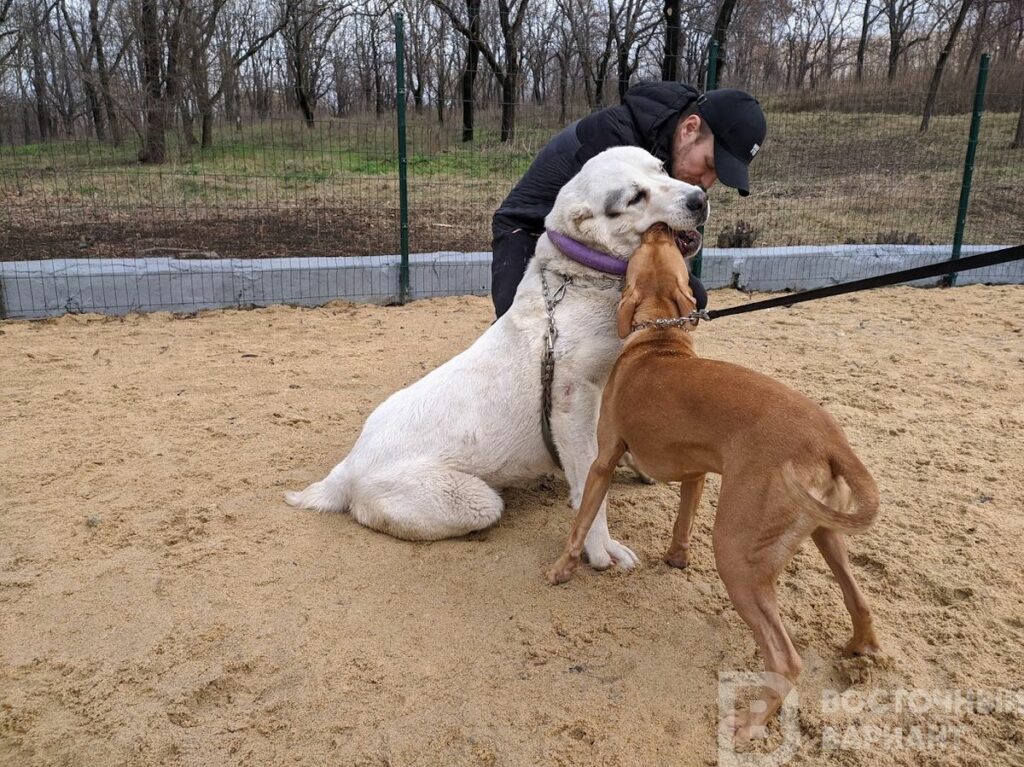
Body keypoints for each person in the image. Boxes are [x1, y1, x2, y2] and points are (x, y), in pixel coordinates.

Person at [490, 83, 767, 318]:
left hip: (587, 238)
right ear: (689, 129)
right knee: (523, 323)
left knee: (691, 295)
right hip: (527, 229)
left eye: (718, 175)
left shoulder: (661, 139)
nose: (706, 183)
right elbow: (602, 238)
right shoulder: (616, 145)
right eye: (709, 164)